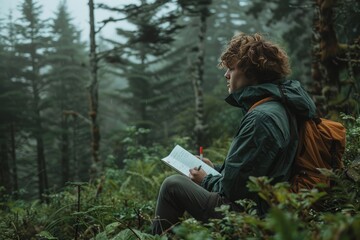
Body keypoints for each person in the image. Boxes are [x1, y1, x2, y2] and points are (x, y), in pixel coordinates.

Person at [151, 33, 316, 235]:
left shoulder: (261, 118)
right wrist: (216, 169)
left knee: (173, 185)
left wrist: (204, 179)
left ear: (251, 72)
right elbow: (253, 172)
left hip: (257, 214)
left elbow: (233, 190)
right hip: (271, 205)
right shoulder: (278, 105)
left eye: (231, 68)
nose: (226, 75)